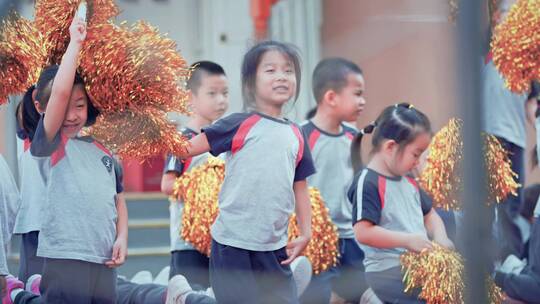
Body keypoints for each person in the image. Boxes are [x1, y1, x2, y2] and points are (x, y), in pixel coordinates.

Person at [175, 40, 315, 303]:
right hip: (232, 246)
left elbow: (300, 186)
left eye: (288, 70)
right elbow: (185, 149)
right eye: (270, 70)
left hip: (274, 248)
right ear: (251, 82)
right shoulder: (238, 124)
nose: (282, 77)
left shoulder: (296, 134)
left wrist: (306, 232)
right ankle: (186, 297)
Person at [25, 17, 127, 303]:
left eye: (79, 105)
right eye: (65, 107)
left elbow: (119, 199)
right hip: (65, 257)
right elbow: (59, 92)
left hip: (104, 259)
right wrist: (76, 43)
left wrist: (122, 237)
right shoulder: (52, 141)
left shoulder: (105, 150)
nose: (71, 115)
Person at [350, 103, 453, 303]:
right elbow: (363, 232)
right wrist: (406, 240)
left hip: (418, 266)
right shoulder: (368, 181)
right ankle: (372, 296)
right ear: (390, 147)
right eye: (416, 154)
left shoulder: (409, 181)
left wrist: (441, 237)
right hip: (387, 271)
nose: (418, 162)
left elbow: (430, 215)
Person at [300, 58, 367, 303]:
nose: (363, 102)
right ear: (331, 97)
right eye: (357, 94)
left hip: (351, 238)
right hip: (317, 240)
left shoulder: (354, 137)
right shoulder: (301, 135)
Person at [160, 61, 229, 289]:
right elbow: (168, 185)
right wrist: (204, 184)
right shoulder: (182, 140)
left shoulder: (224, 140)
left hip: (217, 240)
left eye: (225, 93)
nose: (221, 100)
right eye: (212, 93)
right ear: (191, 97)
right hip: (188, 244)